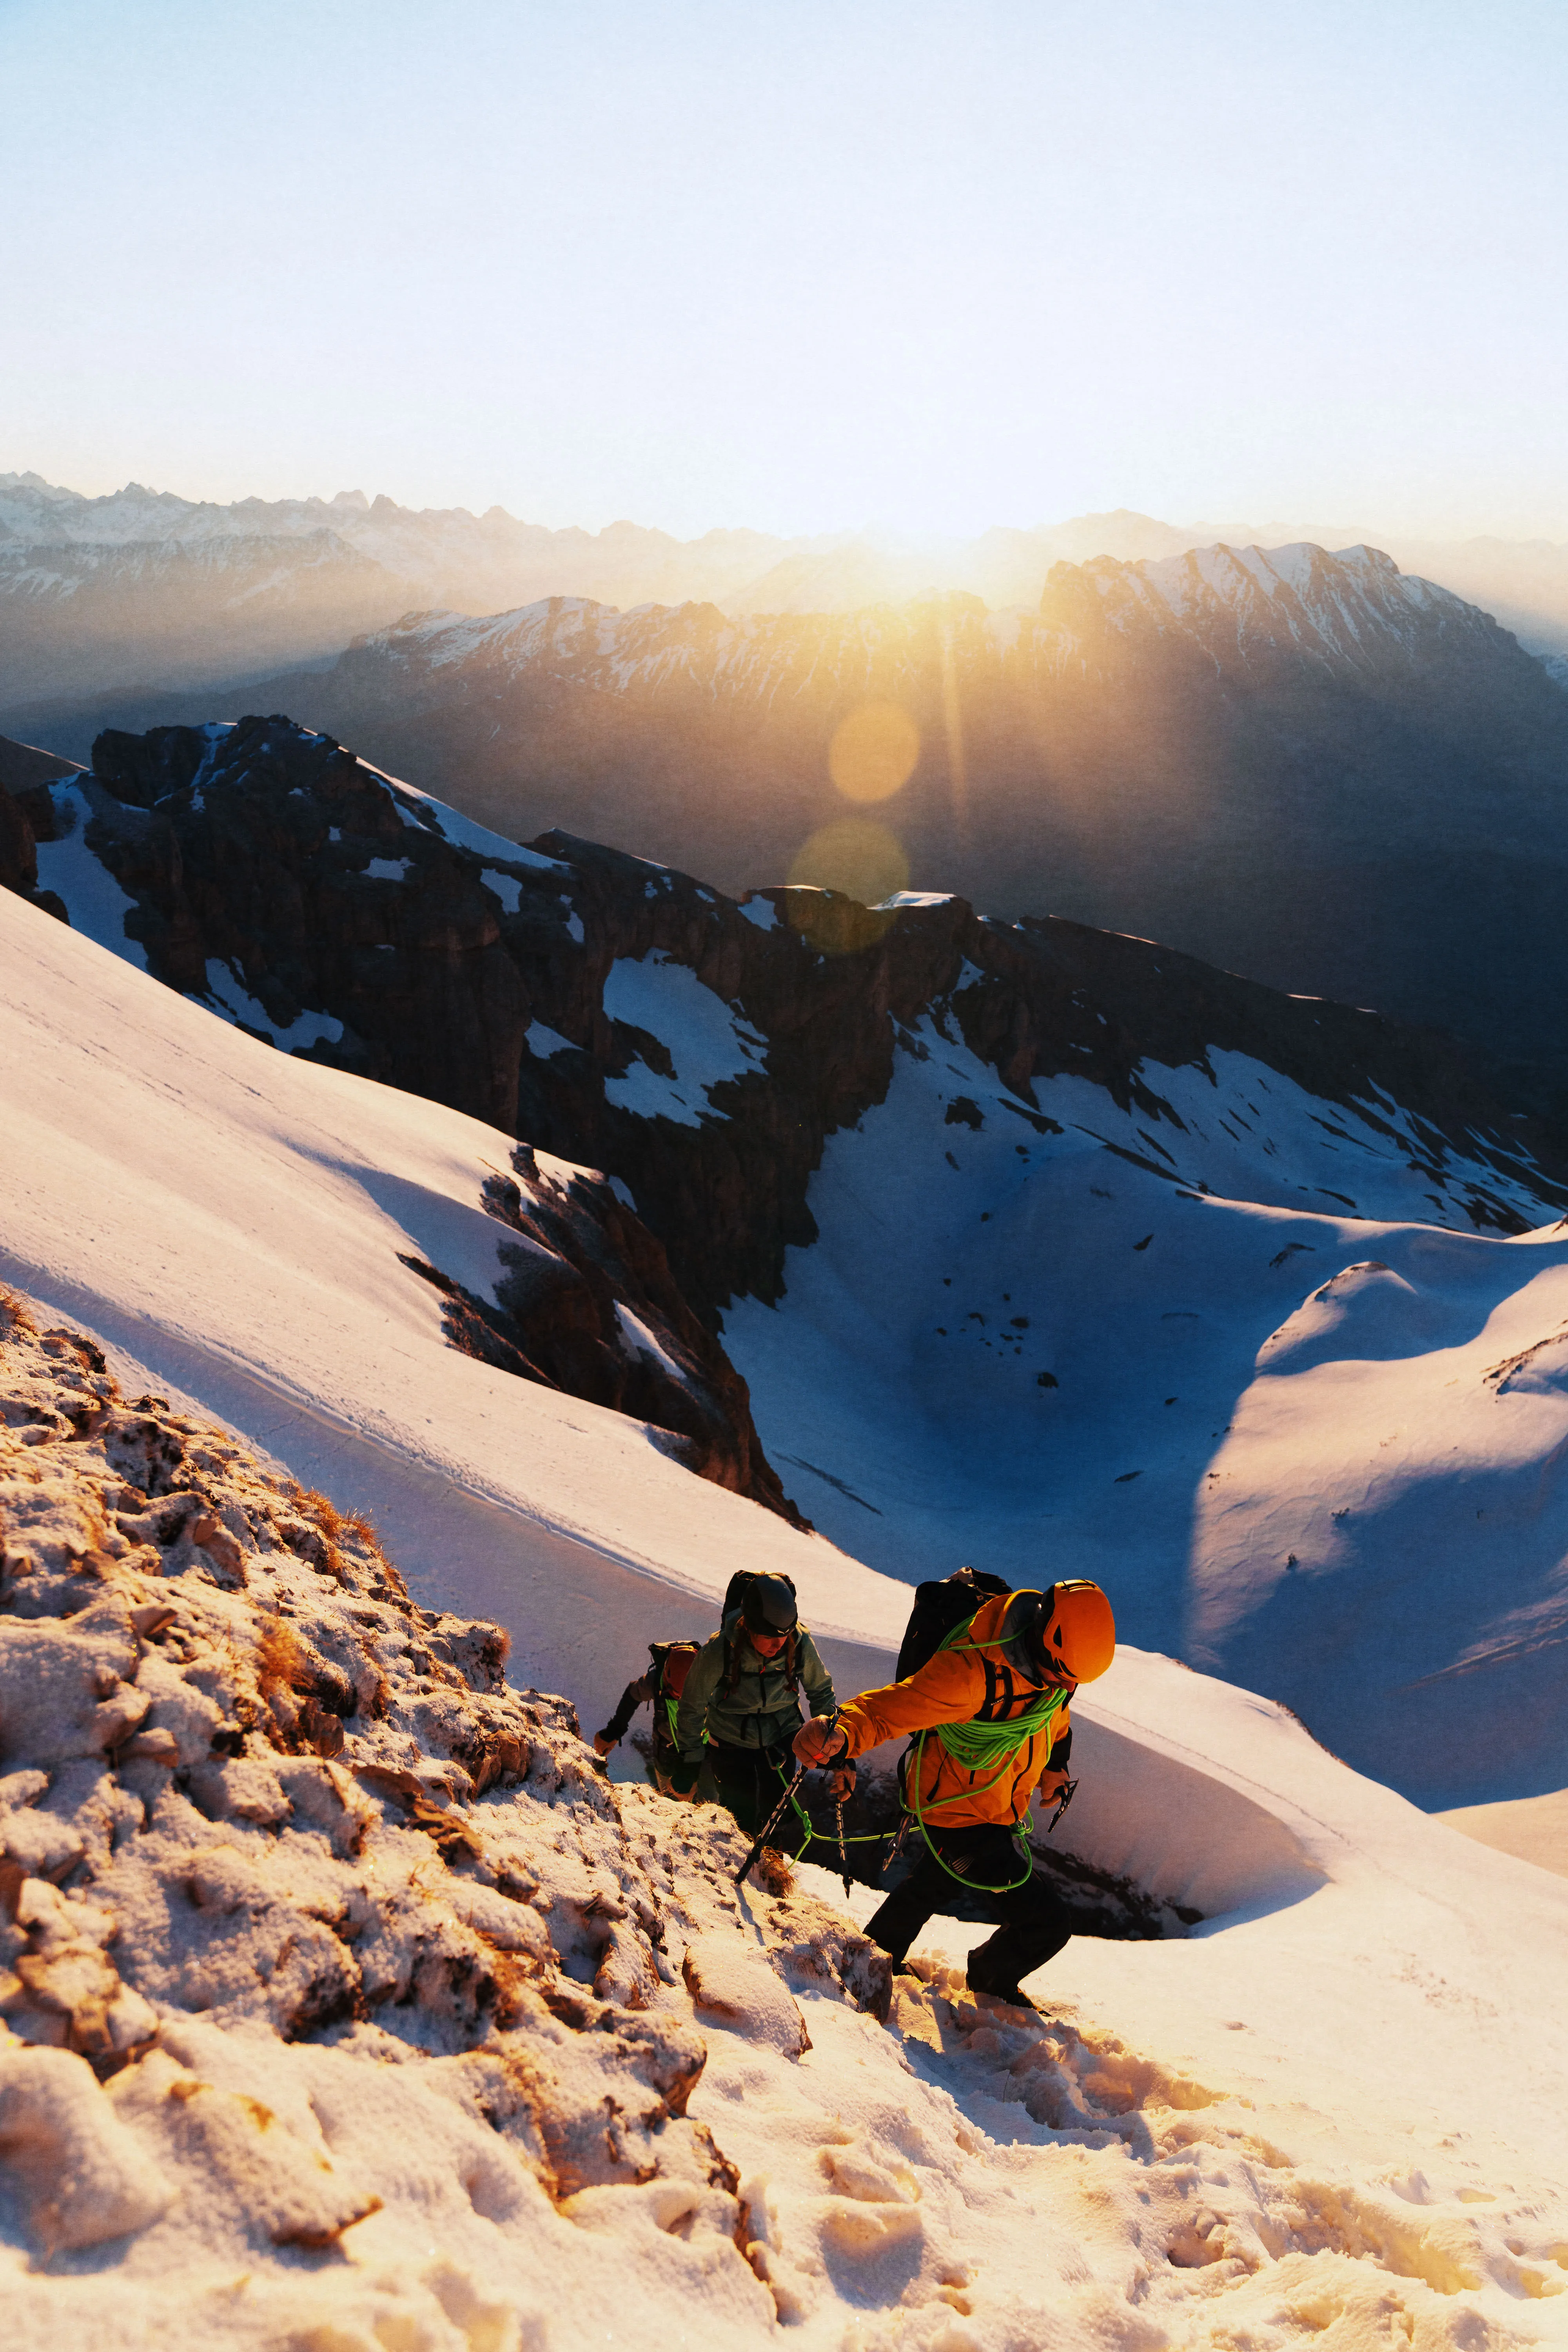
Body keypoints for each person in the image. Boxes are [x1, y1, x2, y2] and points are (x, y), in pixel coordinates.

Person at [792, 1578, 1115, 2007]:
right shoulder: (970, 1676)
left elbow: (1051, 1719)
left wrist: (1055, 1768)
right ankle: (990, 1979)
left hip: (992, 1805)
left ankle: (873, 1956)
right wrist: (841, 1732)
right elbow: (891, 1709)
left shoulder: (1052, 1676)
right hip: (958, 1814)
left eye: (1072, 1683)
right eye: (1062, 1677)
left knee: (932, 1884)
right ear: (1042, 1638)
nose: (1065, 1688)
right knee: (1046, 1922)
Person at [669, 1572, 840, 1844]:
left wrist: (835, 1740)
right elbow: (692, 1704)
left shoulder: (799, 1640)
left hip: (782, 1737)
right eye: (770, 1636)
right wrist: (690, 1759)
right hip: (730, 1741)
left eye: (784, 1636)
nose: (779, 1644)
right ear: (748, 1625)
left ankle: (771, 1874)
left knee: (778, 1816)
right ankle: (737, 1871)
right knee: (739, 1816)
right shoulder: (720, 1649)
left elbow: (820, 1691)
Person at [592, 1639, 700, 1791]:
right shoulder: (656, 1680)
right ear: (666, 1678)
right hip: (666, 1751)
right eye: (675, 1694)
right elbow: (633, 1694)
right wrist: (613, 1732)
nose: (678, 1698)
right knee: (670, 1797)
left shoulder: (710, 1680)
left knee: (704, 1798)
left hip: (701, 1753)